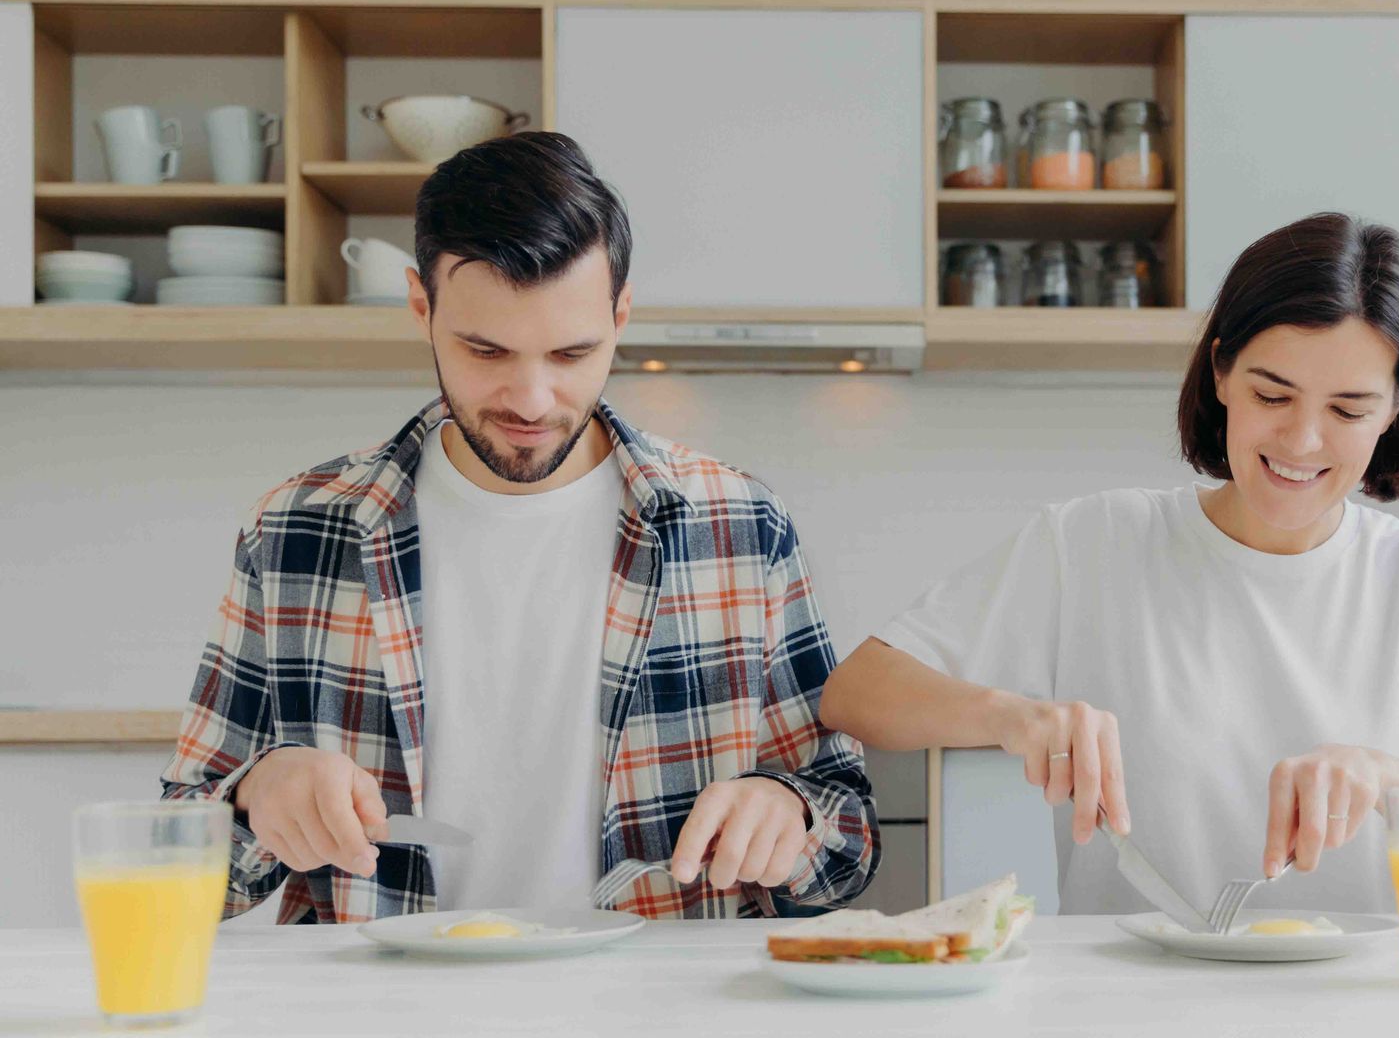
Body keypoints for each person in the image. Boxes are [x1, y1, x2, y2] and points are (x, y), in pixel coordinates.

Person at [162, 131, 876, 922]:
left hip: (654, 1009)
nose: (531, 400)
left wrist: (788, 814)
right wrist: (256, 796)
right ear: (420, 306)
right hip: (389, 1009)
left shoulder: (738, 525)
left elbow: (847, 837)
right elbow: (176, 859)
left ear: (622, 314)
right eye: (485, 350)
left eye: (572, 352)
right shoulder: (299, 528)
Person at [821, 212, 1399, 915]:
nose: (1303, 442)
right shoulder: (1095, 542)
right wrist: (1009, 715)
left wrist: (1388, 779)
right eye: (1272, 394)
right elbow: (856, 694)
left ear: (1396, 408)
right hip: (1132, 1004)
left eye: (1349, 409)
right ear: (1221, 373)